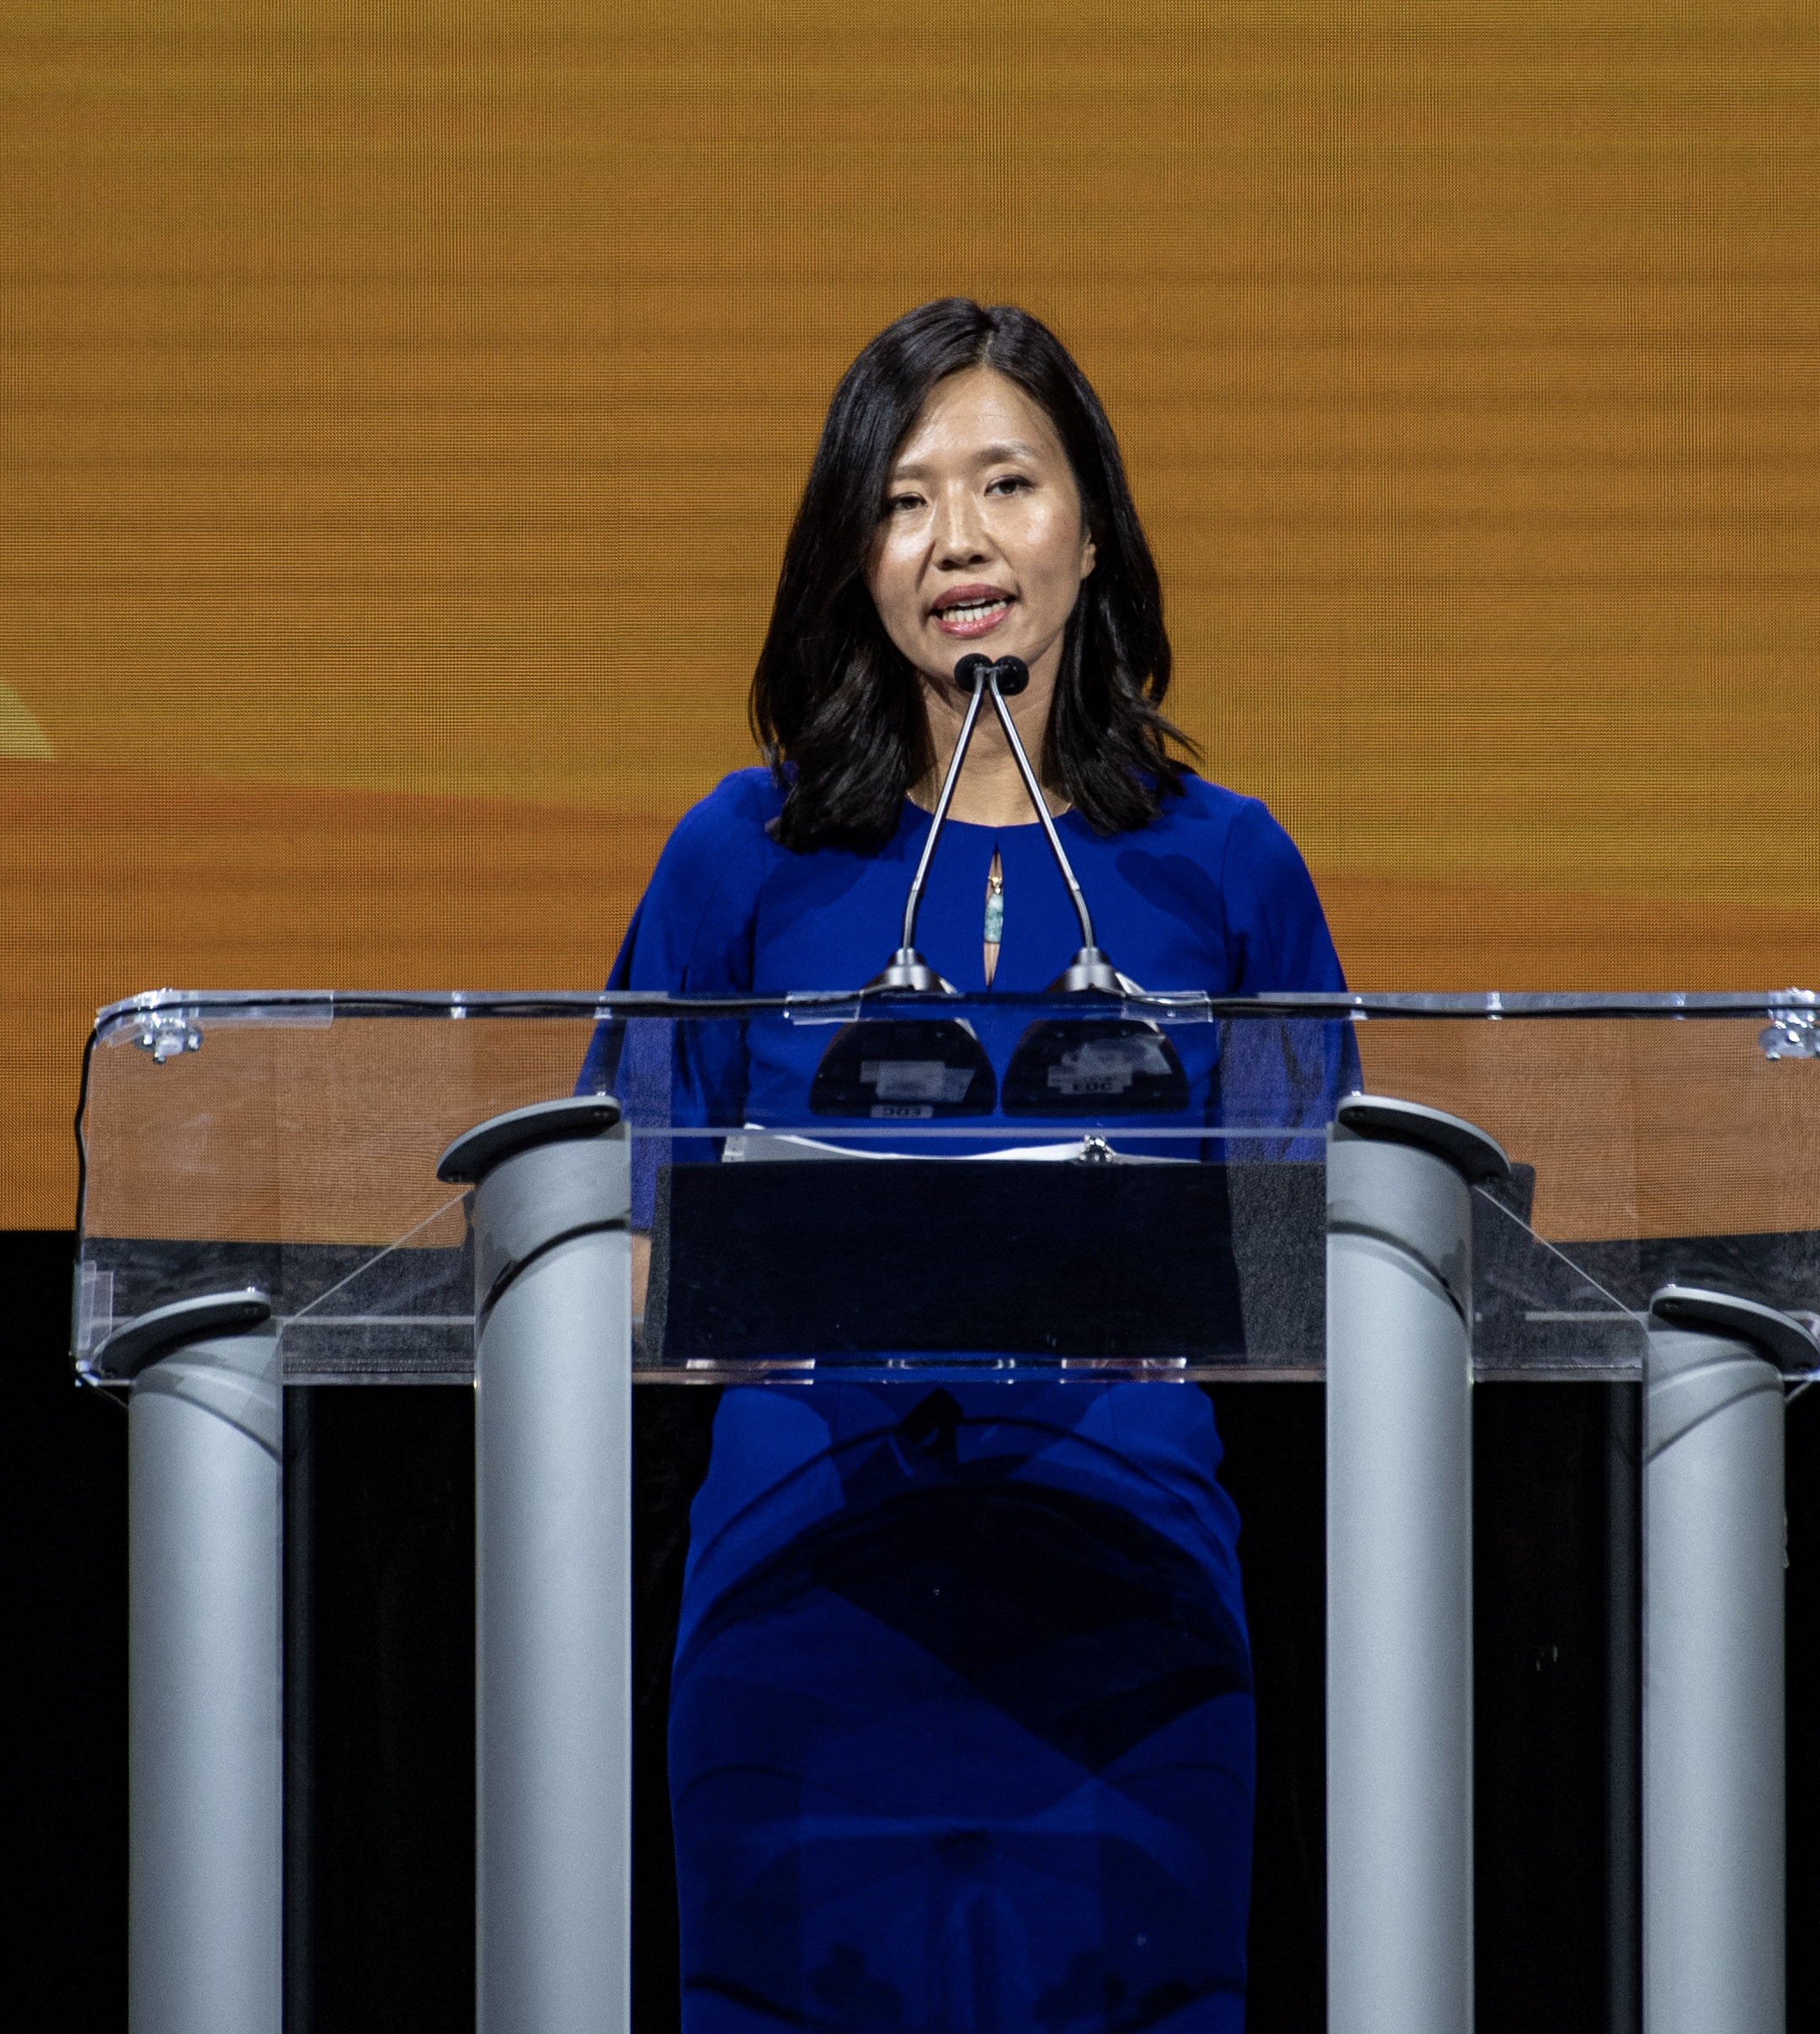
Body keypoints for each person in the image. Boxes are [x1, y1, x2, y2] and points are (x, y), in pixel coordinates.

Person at [605, 298, 1346, 2033]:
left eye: (1005, 483)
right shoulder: (739, 855)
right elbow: (611, 1223)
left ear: (1089, 531)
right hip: (801, 1586)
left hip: (1129, 1604)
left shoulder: (1227, 867)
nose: (956, 539)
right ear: (854, 556)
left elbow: (1329, 1249)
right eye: (905, 497)